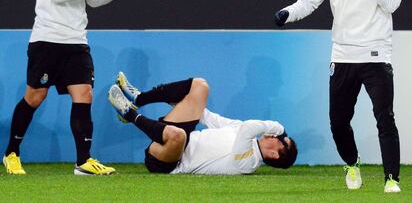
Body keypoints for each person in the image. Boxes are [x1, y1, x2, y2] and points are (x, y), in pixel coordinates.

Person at [3, 0, 141, 175]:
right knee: (35, 96)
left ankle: (83, 162)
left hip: (76, 39)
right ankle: (11, 153)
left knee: (84, 94)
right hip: (48, 37)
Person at [274, 0, 402, 193]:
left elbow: (392, 4)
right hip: (343, 56)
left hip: (376, 56)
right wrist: (288, 13)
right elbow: (310, 0)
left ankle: (391, 179)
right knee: (338, 121)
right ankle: (352, 164)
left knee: (385, 118)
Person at [108, 72, 298, 174]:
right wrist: (186, 101)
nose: (276, 135)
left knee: (178, 135)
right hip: (176, 134)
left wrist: (279, 127)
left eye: (281, 140)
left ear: (273, 154)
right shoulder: (240, 127)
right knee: (200, 86)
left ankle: (129, 114)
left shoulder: (248, 163)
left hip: (168, 161)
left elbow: (250, 128)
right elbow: (205, 116)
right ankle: (141, 98)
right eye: (280, 134)